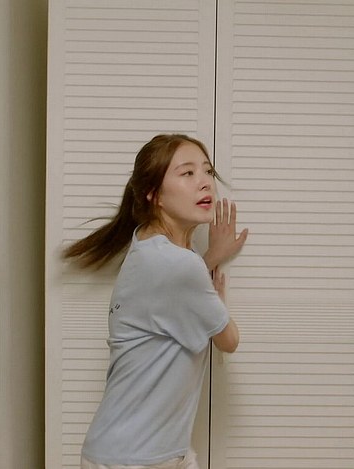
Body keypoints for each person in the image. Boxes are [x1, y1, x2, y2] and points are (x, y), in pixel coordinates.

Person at [64, 134, 249, 469]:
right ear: (155, 194)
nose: (205, 182)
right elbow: (229, 340)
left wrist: (209, 258)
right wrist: (215, 297)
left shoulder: (147, 246)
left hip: (149, 452)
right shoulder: (178, 264)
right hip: (132, 459)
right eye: (187, 173)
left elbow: (171, 290)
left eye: (207, 171)